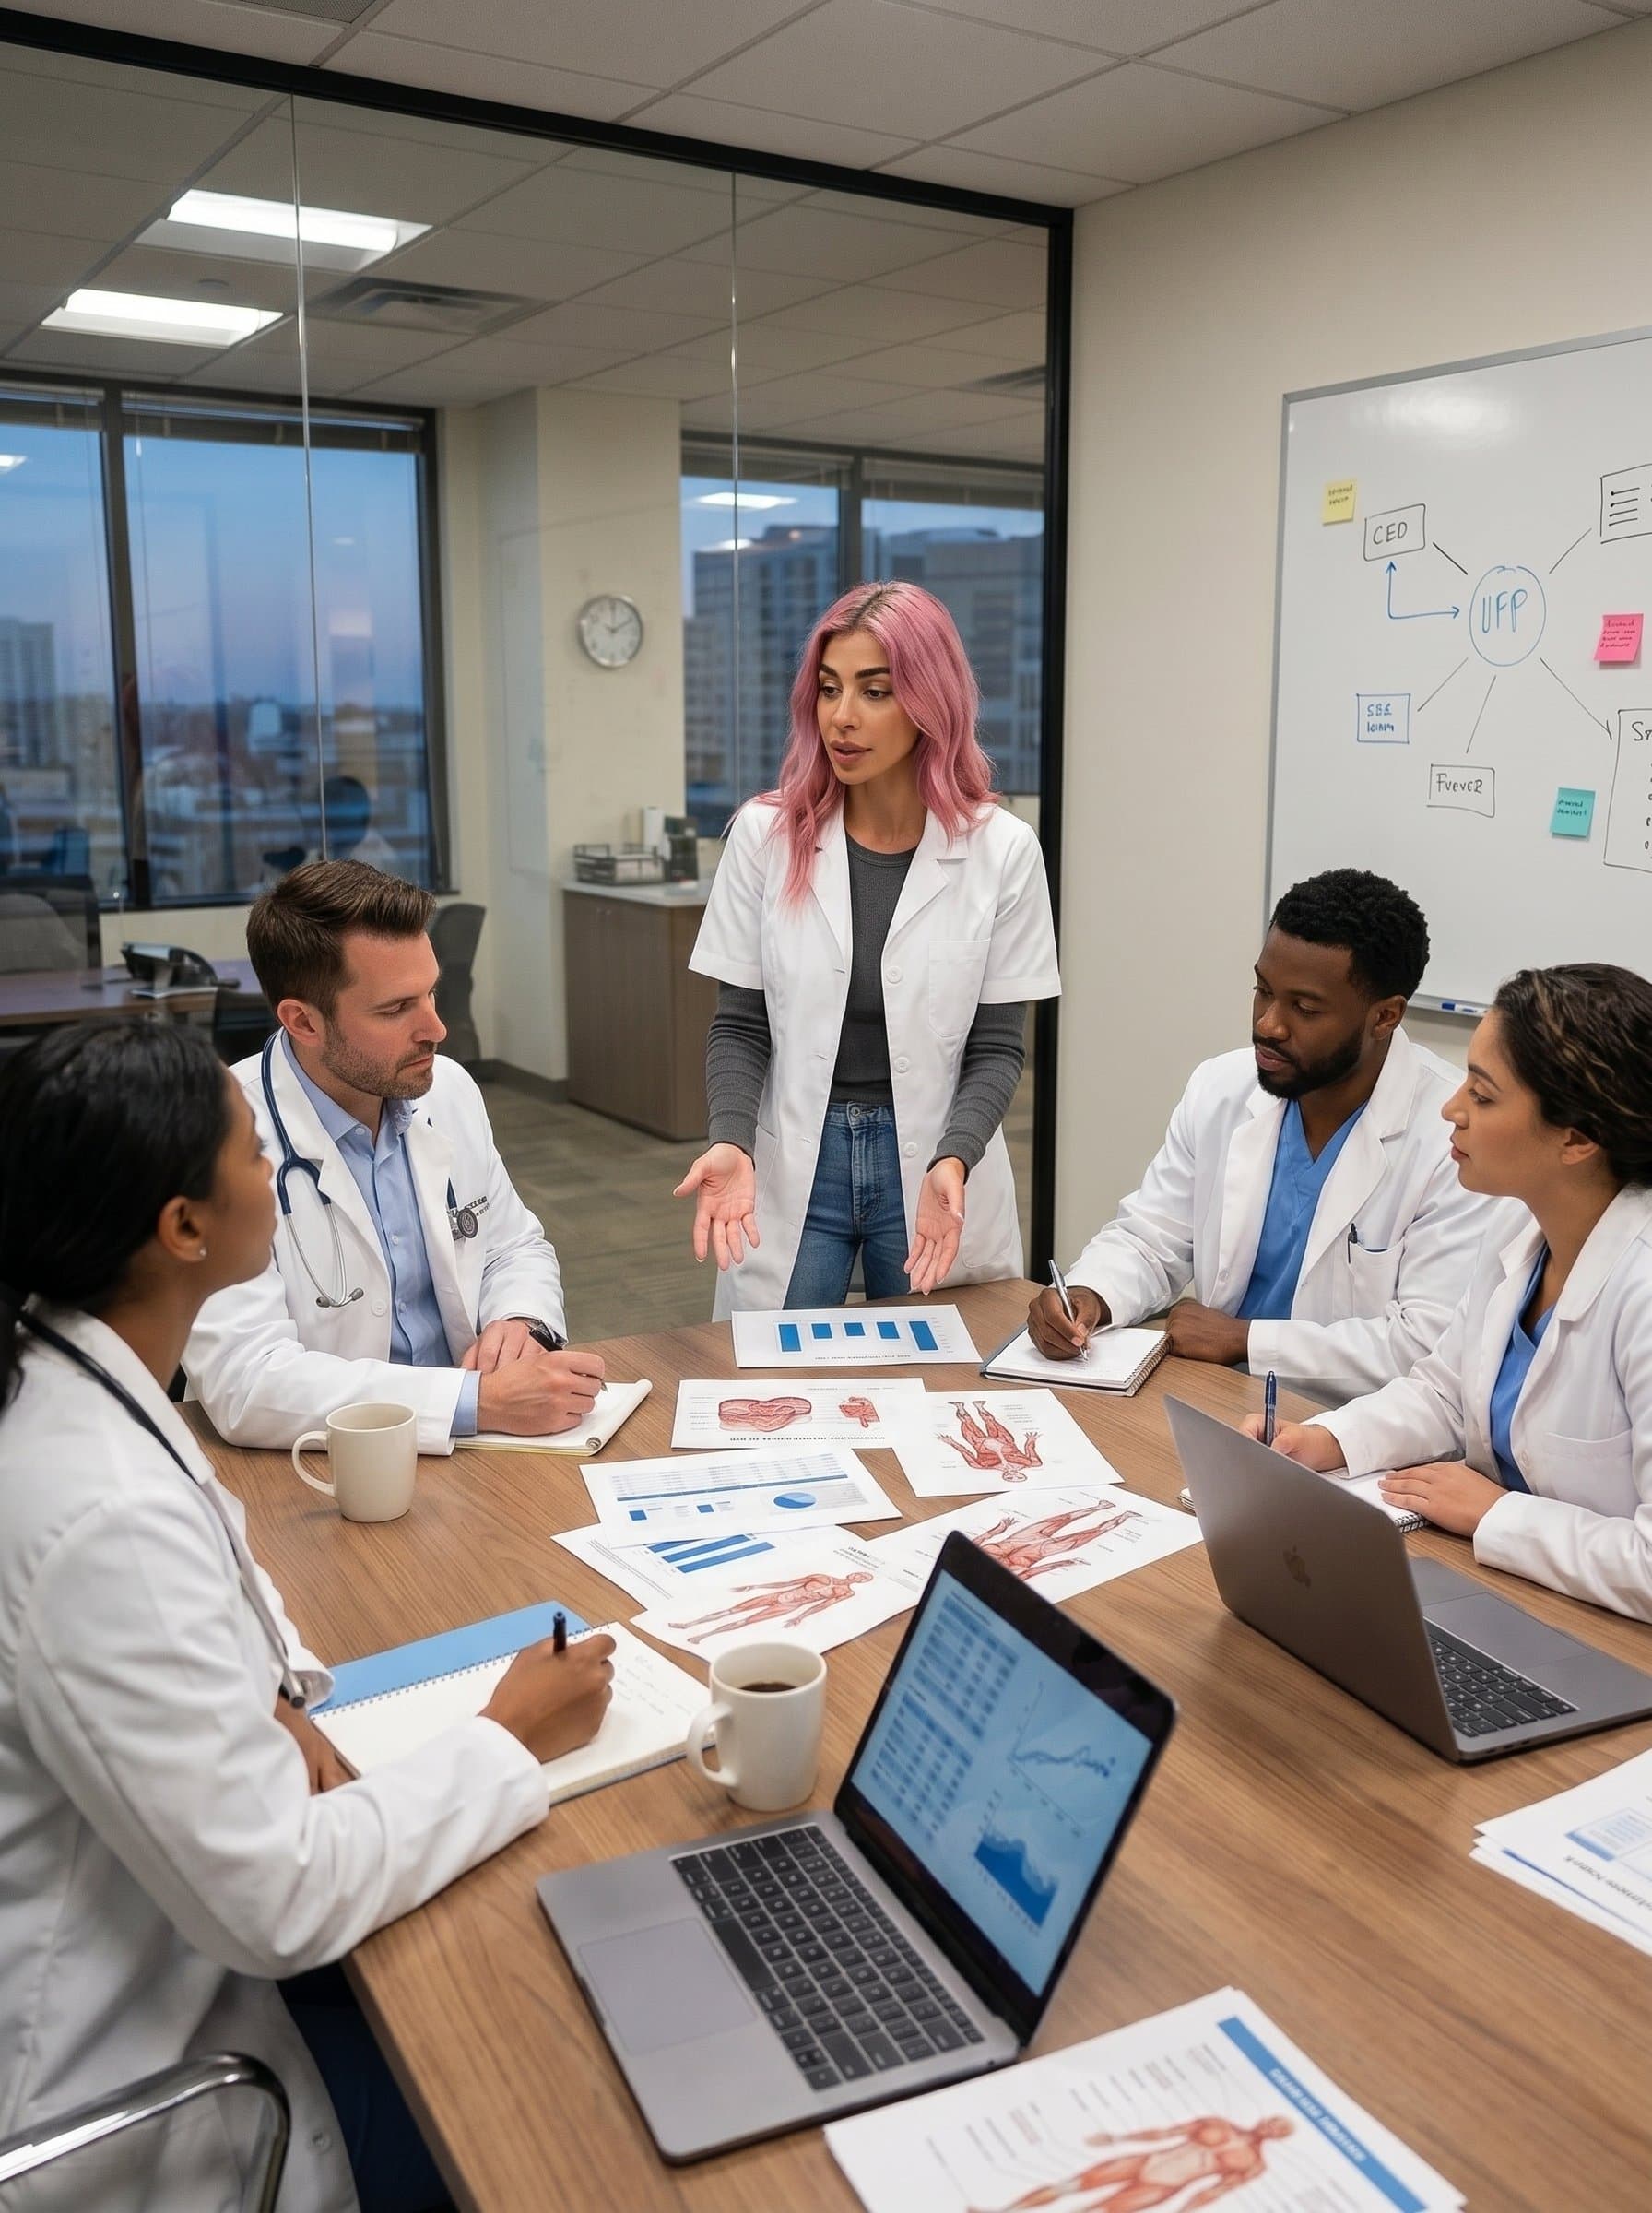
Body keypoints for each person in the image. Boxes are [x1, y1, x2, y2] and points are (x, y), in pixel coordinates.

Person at [0, 1020, 615, 2213]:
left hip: (181, 1932)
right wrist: (507, 1735)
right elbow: (279, 1900)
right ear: (183, 1230)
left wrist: (278, 1693)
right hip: (154, 2098)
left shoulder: (73, 1375)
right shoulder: (97, 1512)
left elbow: (223, 1577)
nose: (279, 1175)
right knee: (540, 2099)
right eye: (252, 1158)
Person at [677, 581, 1059, 1316]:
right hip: (797, 1159)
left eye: (875, 691)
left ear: (929, 701)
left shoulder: (1002, 852)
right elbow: (740, 1023)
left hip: (934, 1165)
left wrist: (956, 1156)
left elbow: (998, 1047)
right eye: (828, 690)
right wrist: (730, 1140)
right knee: (777, 1385)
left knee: (937, 1392)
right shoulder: (765, 835)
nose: (842, 719)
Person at [1257, 964, 1652, 1623]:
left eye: (1485, 1095)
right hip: (1514, 1595)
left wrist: (1498, 1515)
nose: (1451, 1108)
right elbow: (1445, 1391)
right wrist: (1327, 1440)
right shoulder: (1522, 1223)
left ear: (1578, 1139)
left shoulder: (1641, 1288)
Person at [1026, 869, 1504, 1402]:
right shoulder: (1221, 1088)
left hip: (1352, 1433)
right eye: (1263, 990)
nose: (1268, 1024)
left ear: (1384, 1016)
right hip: (1215, 1397)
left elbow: (1426, 1344)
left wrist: (1245, 1340)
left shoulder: (1452, 1139)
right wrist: (1092, 1293)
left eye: (1305, 1008)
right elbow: (1152, 1238)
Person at [186, 860, 603, 1452]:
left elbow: (513, 1245)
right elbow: (247, 1379)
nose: (436, 1028)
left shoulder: (448, 1089)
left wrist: (521, 1321)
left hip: (485, 1449)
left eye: (431, 993)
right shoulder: (215, 1135)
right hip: (327, 1471)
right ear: (303, 1021)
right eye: (395, 1009)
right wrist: (475, 1402)